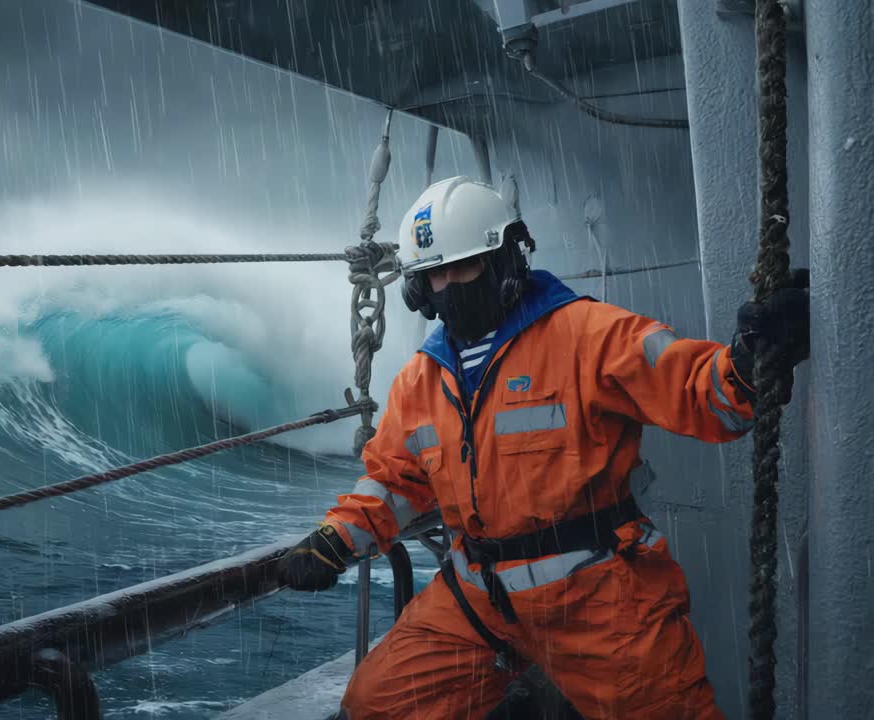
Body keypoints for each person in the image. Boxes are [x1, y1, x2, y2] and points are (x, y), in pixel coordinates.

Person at [276, 176, 810, 719]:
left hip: (598, 596)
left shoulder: (587, 334)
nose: (449, 287)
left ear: (505, 259)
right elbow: (394, 481)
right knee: (375, 705)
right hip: (478, 598)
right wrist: (334, 540)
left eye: (465, 267)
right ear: (418, 290)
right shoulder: (421, 381)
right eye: (435, 275)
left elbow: (694, 387)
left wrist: (745, 363)